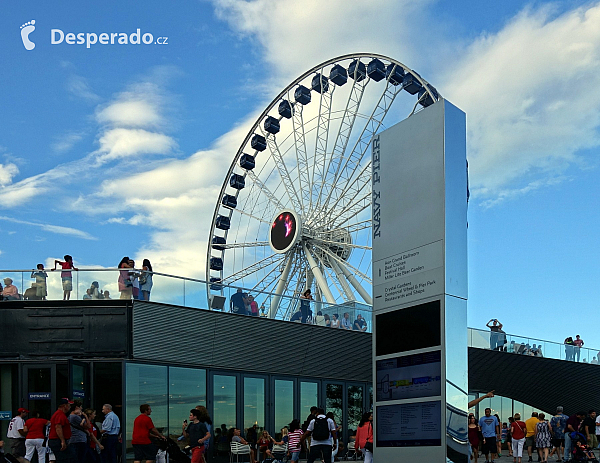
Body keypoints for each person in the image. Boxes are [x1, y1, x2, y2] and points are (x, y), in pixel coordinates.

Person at [48, 398, 76, 463]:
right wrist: (62, 441)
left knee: (64, 458)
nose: (70, 407)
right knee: (65, 459)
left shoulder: (59, 414)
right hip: (57, 440)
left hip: (57, 440)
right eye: (68, 405)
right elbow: (58, 427)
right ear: (64, 406)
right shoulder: (60, 414)